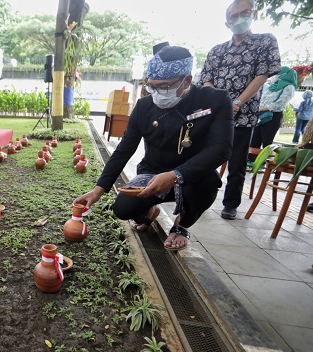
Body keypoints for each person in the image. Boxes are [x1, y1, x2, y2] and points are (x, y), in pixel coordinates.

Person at [73, 46, 233, 251]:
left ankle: (180, 225)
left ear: (187, 80)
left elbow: (221, 149)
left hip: (193, 175)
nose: (157, 93)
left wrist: (176, 174)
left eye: (164, 86)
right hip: (153, 173)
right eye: (152, 87)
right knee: (123, 208)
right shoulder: (144, 107)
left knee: (207, 185)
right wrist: (98, 190)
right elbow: (124, 150)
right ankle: (149, 212)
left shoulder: (215, 100)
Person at [201, 0, 281, 220]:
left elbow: (262, 75)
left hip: (244, 115)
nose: (239, 18)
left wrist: (237, 103)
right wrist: (219, 104)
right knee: (205, 156)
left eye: (244, 13)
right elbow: (206, 79)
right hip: (215, 115)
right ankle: (198, 194)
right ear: (227, 23)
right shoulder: (217, 51)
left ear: (253, 13)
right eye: (233, 16)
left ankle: (230, 204)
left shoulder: (265, 42)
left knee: (236, 162)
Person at [250, 67, 296, 148]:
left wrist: (260, 108)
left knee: (267, 142)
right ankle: (251, 160)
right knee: (254, 140)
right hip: (261, 115)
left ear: (284, 74)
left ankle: (264, 160)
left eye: (276, 74)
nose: (274, 76)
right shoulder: (272, 86)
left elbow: (280, 104)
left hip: (273, 117)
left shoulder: (289, 87)